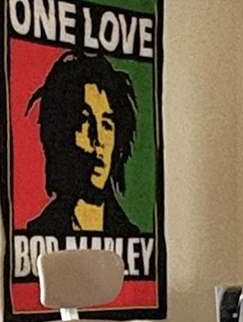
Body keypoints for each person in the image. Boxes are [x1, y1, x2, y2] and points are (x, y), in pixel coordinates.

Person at [16, 51, 148, 239]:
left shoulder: (130, 235)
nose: (99, 140)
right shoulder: (39, 232)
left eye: (106, 125)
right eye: (85, 121)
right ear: (61, 133)